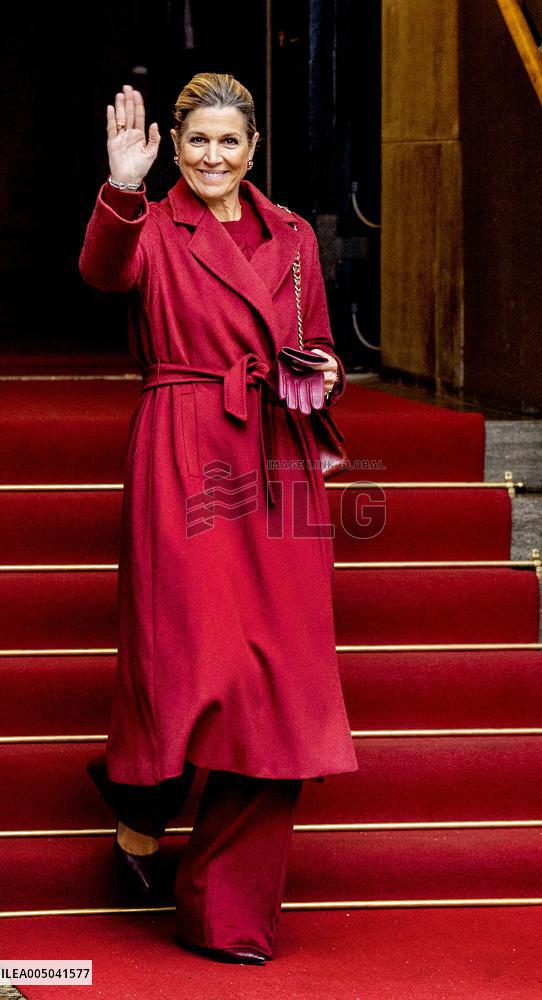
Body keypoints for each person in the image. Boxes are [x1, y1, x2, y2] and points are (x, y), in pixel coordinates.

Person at [79, 72, 358, 966]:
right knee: (187, 662)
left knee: (278, 689)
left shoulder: (296, 238)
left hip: (276, 457)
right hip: (183, 445)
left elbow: (316, 347)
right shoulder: (154, 225)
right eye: (195, 140)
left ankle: (226, 912)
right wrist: (124, 186)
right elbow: (101, 272)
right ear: (174, 142)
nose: (212, 157)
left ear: (253, 149)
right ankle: (142, 806)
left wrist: (321, 372)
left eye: (228, 141)